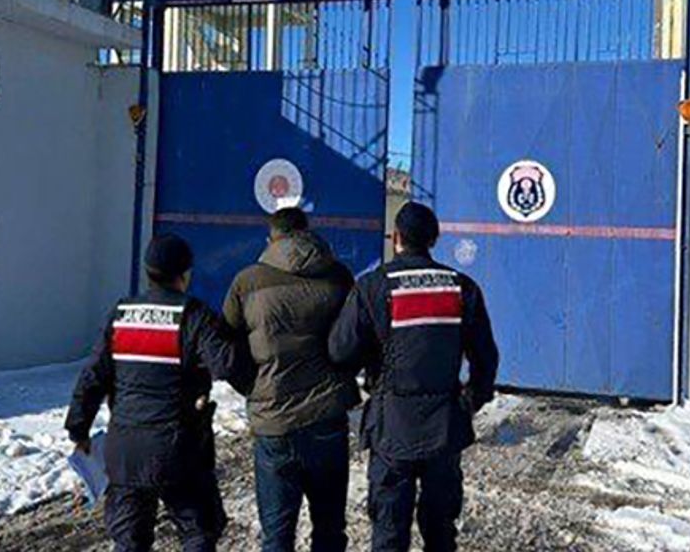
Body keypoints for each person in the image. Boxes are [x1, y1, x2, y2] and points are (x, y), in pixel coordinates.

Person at [329, 202, 499, 552]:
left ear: (396, 238)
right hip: (445, 428)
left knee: (389, 531)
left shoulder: (373, 286)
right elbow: (486, 358)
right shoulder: (462, 287)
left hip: (392, 428)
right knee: (440, 531)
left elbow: (341, 351)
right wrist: (470, 401)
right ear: (433, 239)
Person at [65, 234, 252, 552]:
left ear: (148, 271)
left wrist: (78, 428)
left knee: (129, 541)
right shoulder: (194, 316)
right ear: (186, 274)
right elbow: (228, 365)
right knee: (198, 532)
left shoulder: (121, 314)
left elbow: (93, 376)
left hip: (125, 451)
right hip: (179, 451)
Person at [222, 208, 359, 552]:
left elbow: (226, 349)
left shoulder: (247, 282)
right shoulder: (339, 276)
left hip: (274, 422)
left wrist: (253, 387)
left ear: (270, 238)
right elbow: (354, 341)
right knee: (330, 530)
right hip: (328, 417)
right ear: (306, 232)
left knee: (277, 535)